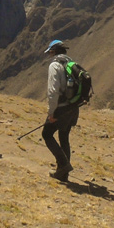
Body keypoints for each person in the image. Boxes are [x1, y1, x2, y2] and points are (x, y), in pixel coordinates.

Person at [41, 39, 80, 181]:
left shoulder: (55, 65)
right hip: (73, 108)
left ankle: (63, 165)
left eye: (50, 52)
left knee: (47, 134)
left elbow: (53, 91)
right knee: (64, 138)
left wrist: (51, 112)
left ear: (53, 51)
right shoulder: (71, 64)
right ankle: (63, 175)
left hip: (61, 108)